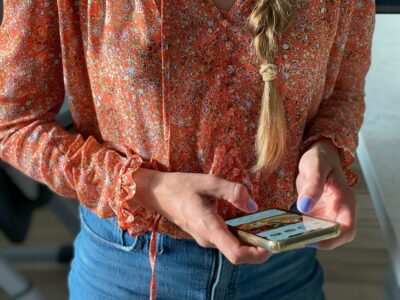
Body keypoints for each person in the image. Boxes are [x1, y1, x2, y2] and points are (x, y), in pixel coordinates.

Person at [0, 0, 375, 299]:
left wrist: (324, 150)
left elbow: (344, 92)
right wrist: (148, 188)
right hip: (130, 271)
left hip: (283, 267)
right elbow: (14, 123)